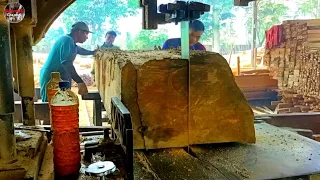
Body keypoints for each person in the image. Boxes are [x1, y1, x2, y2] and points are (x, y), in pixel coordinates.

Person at [39, 21, 96, 102]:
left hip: (61, 78)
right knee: (52, 106)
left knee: (62, 105)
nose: (87, 37)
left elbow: (81, 50)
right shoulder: (67, 40)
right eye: (86, 34)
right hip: (52, 79)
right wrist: (79, 82)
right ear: (79, 32)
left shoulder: (71, 42)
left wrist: (93, 52)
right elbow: (66, 63)